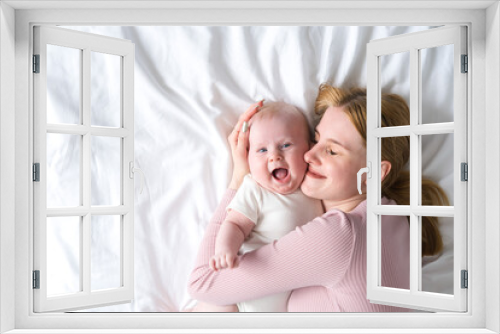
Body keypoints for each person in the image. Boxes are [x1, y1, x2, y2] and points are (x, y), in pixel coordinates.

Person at [188, 84, 448, 312]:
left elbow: (202, 283)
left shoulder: (338, 236)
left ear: (373, 172)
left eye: (332, 151)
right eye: (315, 139)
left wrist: (240, 178)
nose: (309, 155)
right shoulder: (396, 219)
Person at [196, 101, 323, 313]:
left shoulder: (314, 191)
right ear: (248, 158)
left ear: (308, 149)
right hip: (238, 300)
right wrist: (226, 250)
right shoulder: (255, 189)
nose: (274, 156)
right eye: (262, 150)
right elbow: (235, 224)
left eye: (285, 145)